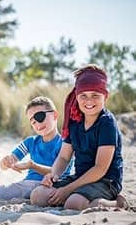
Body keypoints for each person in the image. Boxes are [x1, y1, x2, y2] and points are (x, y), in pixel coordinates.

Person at [30, 64, 126, 210]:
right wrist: (53, 175)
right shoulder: (74, 121)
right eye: (83, 96)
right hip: (80, 178)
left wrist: (67, 190)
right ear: (77, 96)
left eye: (95, 95)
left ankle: (118, 203)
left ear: (105, 96)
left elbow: (100, 168)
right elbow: (63, 157)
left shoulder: (107, 123)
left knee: (73, 204)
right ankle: (77, 196)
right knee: (38, 196)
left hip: (106, 180)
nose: (89, 101)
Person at [0, 96, 72, 201]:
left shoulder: (66, 144)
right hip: (27, 185)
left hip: (52, 186)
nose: (37, 124)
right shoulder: (30, 142)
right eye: (33, 122)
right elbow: (9, 162)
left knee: (38, 195)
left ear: (54, 115)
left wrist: (33, 166)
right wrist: (6, 162)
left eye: (40, 117)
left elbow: (59, 173)